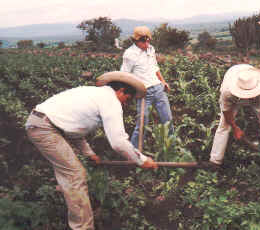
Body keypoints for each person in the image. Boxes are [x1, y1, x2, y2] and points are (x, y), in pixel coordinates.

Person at [25, 71, 158, 230]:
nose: (125, 104)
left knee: (70, 173)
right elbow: (118, 142)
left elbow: (73, 130)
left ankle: (71, 211)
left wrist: (89, 154)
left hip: (42, 123)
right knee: (75, 175)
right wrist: (141, 160)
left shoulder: (93, 94)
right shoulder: (110, 101)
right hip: (45, 127)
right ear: (121, 90)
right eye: (127, 99)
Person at [209, 64, 260, 166]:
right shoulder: (227, 91)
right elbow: (226, 112)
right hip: (234, 88)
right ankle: (215, 161)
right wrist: (235, 128)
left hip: (257, 95)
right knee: (224, 125)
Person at [120, 25, 173, 149]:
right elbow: (124, 76)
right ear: (136, 40)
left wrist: (163, 82)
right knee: (142, 124)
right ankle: (134, 153)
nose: (147, 42)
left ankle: (171, 149)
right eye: (143, 40)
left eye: (148, 39)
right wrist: (125, 95)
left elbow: (155, 67)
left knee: (168, 120)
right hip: (144, 93)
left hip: (158, 89)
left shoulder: (151, 49)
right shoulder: (129, 54)